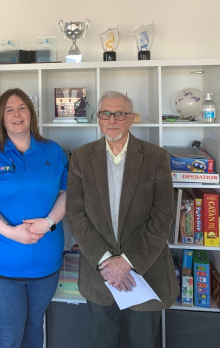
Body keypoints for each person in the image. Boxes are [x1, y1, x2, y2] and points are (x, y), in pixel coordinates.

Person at [66, 91, 178, 348]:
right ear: (98, 118)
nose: (112, 119)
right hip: (99, 275)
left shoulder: (156, 157)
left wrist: (127, 262)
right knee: (103, 342)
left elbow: (163, 216)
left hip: (144, 273)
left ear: (130, 119)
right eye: (106, 113)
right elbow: (75, 213)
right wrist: (107, 262)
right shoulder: (82, 157)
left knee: (143, 343)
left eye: (120, 114)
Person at [0, 88, 68, 348]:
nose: (16, 114)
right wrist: (13, 233)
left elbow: (67, 193)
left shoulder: (54, 151)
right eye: (9, 109)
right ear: (1, 117)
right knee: (9, 337)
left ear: (31, 114)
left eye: (22, 107)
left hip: (46, 261)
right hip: (3, 264)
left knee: (35, 328)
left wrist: (48, 223)